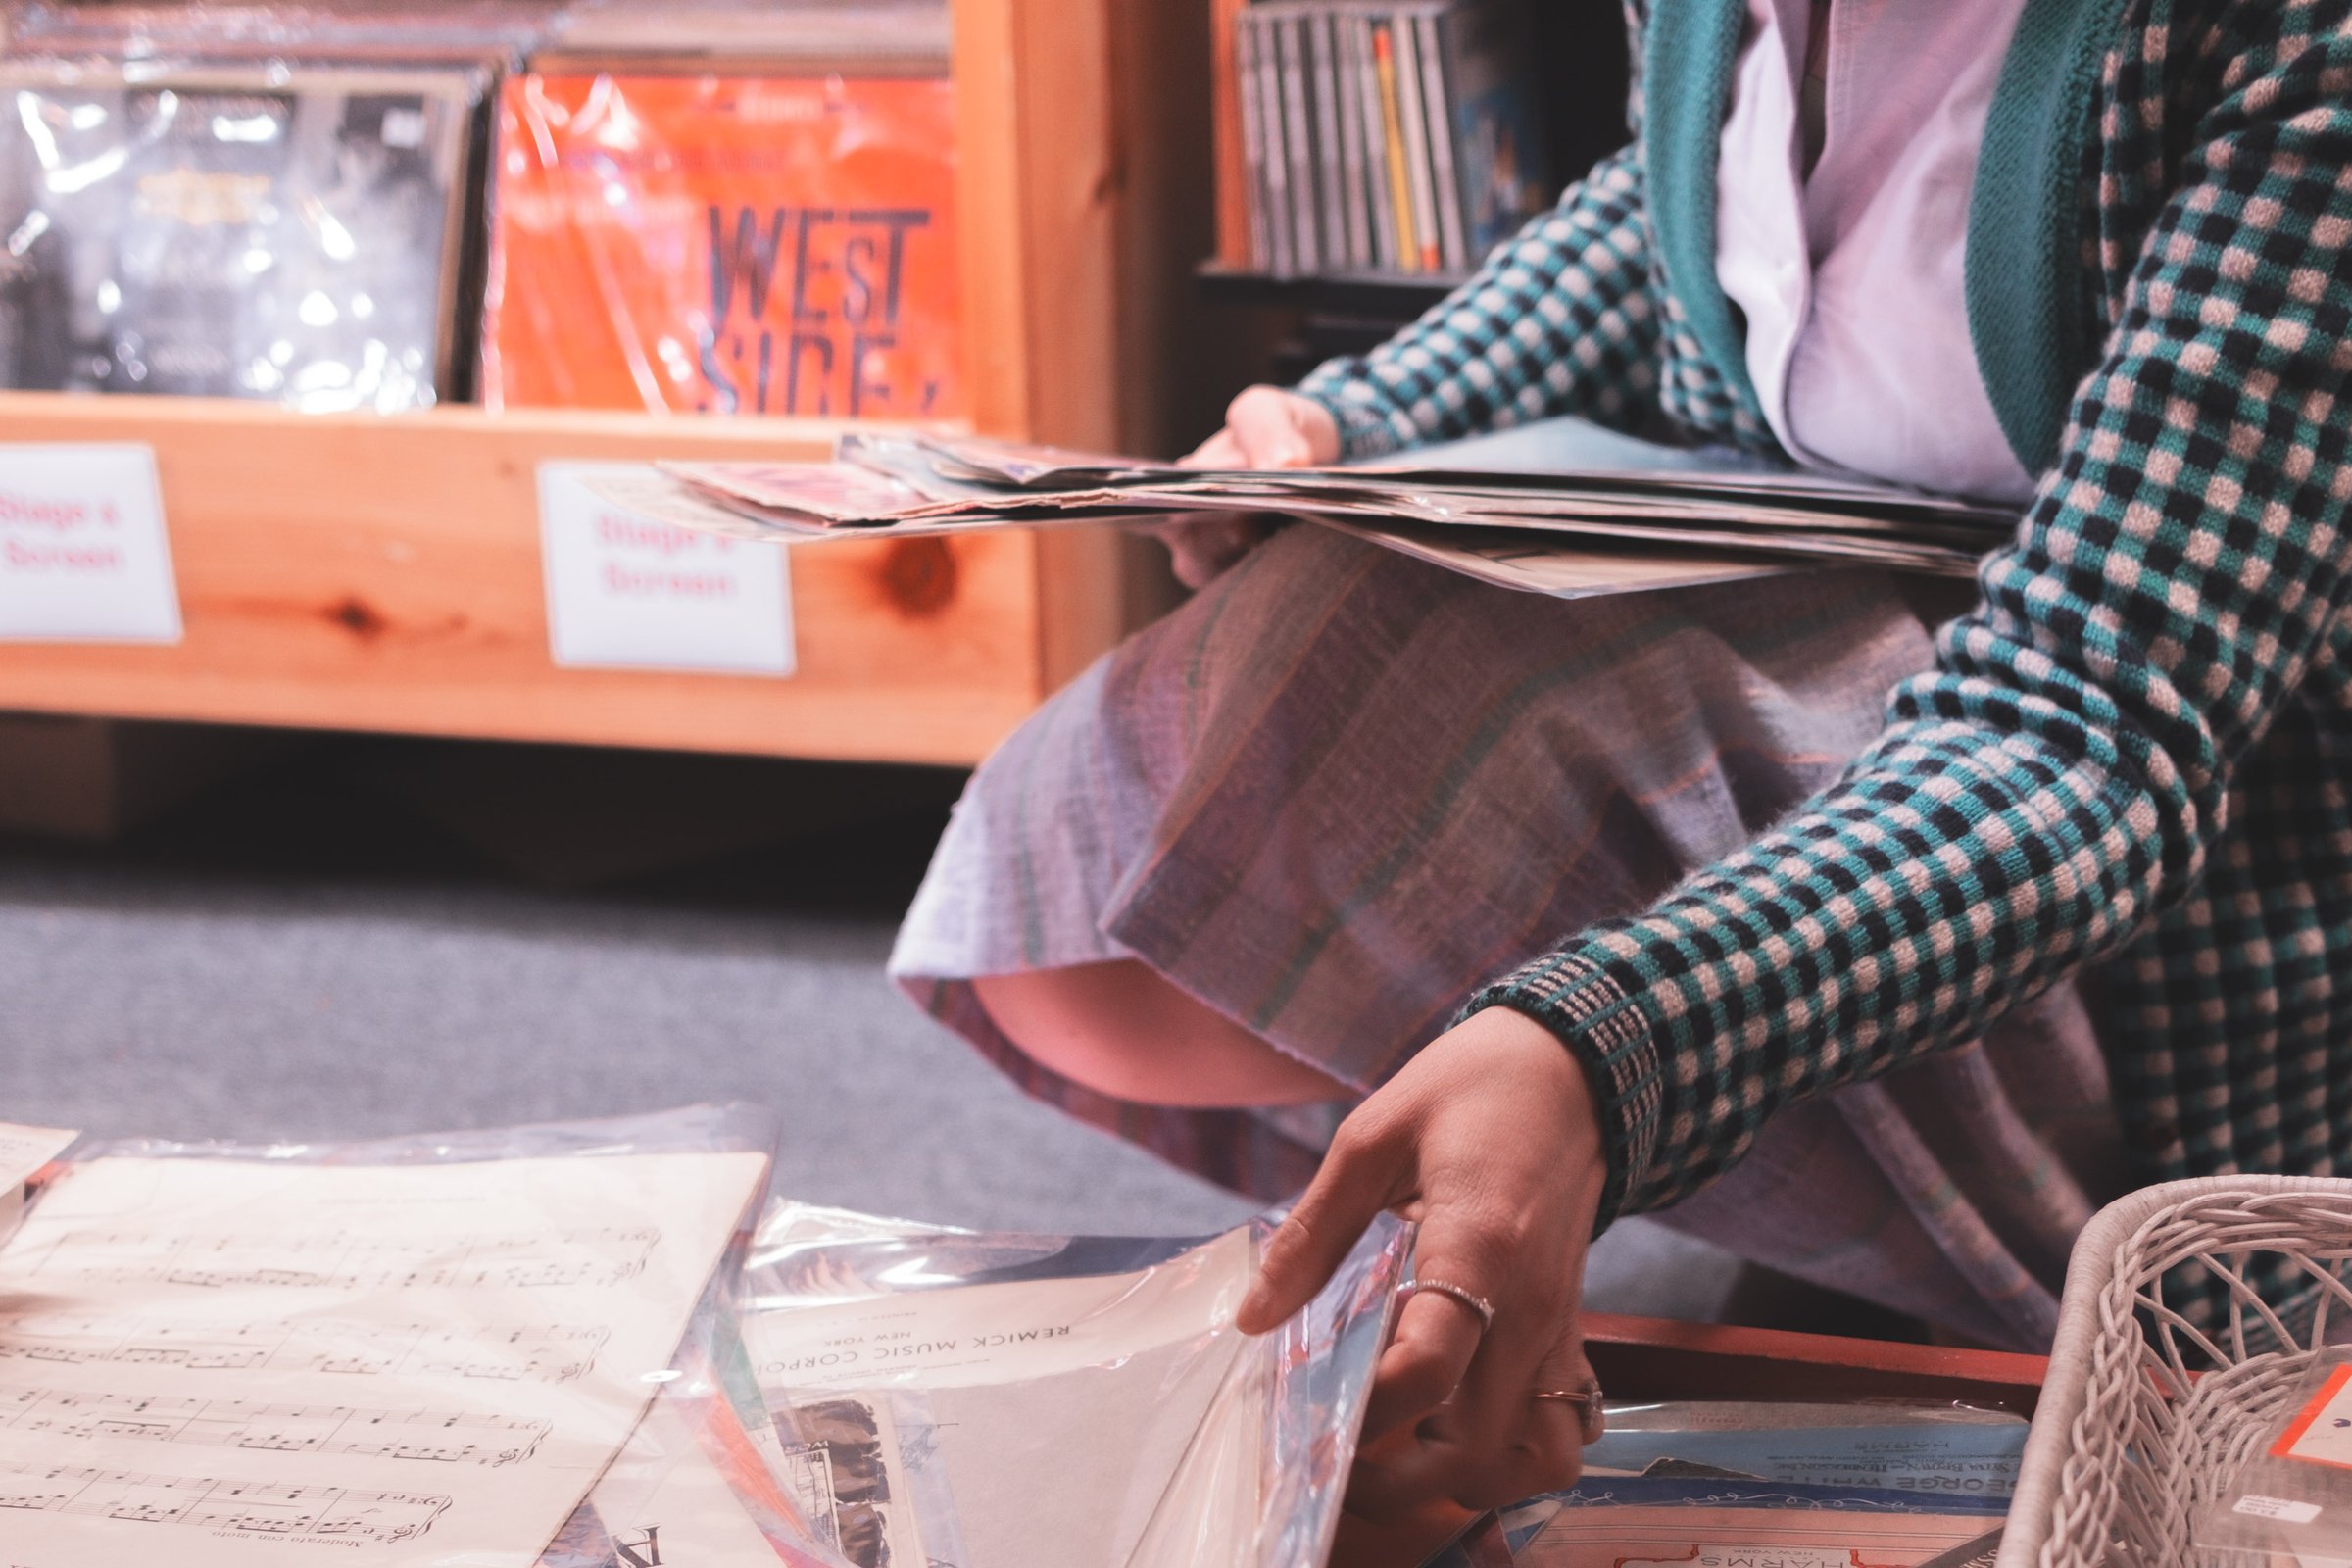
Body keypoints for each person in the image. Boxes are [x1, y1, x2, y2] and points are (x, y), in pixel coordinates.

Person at [891, 0, 2352, 1527]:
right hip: (1860, 626)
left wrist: (1608, 1051)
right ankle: (1800, 1210)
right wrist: (1350, 420)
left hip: (2158, 893)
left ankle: (1952, 1251)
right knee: (1129, 845)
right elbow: (1667, 213)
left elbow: (2091, 727)